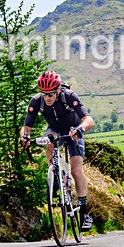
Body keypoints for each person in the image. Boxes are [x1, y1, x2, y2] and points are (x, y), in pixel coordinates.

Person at [20, 70, 95, 232]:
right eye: (44, 94)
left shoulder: (68, 96)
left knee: (76, 170)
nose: (47, 97)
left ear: (58, 89)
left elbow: (88, 120)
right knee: (49, 139)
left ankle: (84, 212)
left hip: (73, 131)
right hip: (54, 130)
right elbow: (26, 127)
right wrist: (25, 137)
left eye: (51, 94)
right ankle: (54, 172)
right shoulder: (36, 101)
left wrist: (80, 130)